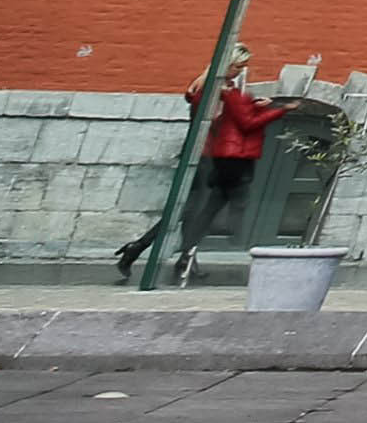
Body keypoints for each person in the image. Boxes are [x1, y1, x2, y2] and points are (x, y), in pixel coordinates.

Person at [110, 59, 287, 284]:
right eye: (237, 67)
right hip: (203, 157)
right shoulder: (209, 92)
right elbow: (216, 122)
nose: (239, 72)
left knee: (198, 211)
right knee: (191, 210)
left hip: (215, 158)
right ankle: (143, 249)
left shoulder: (222, 90)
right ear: (226, 66)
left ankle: (181, 257)